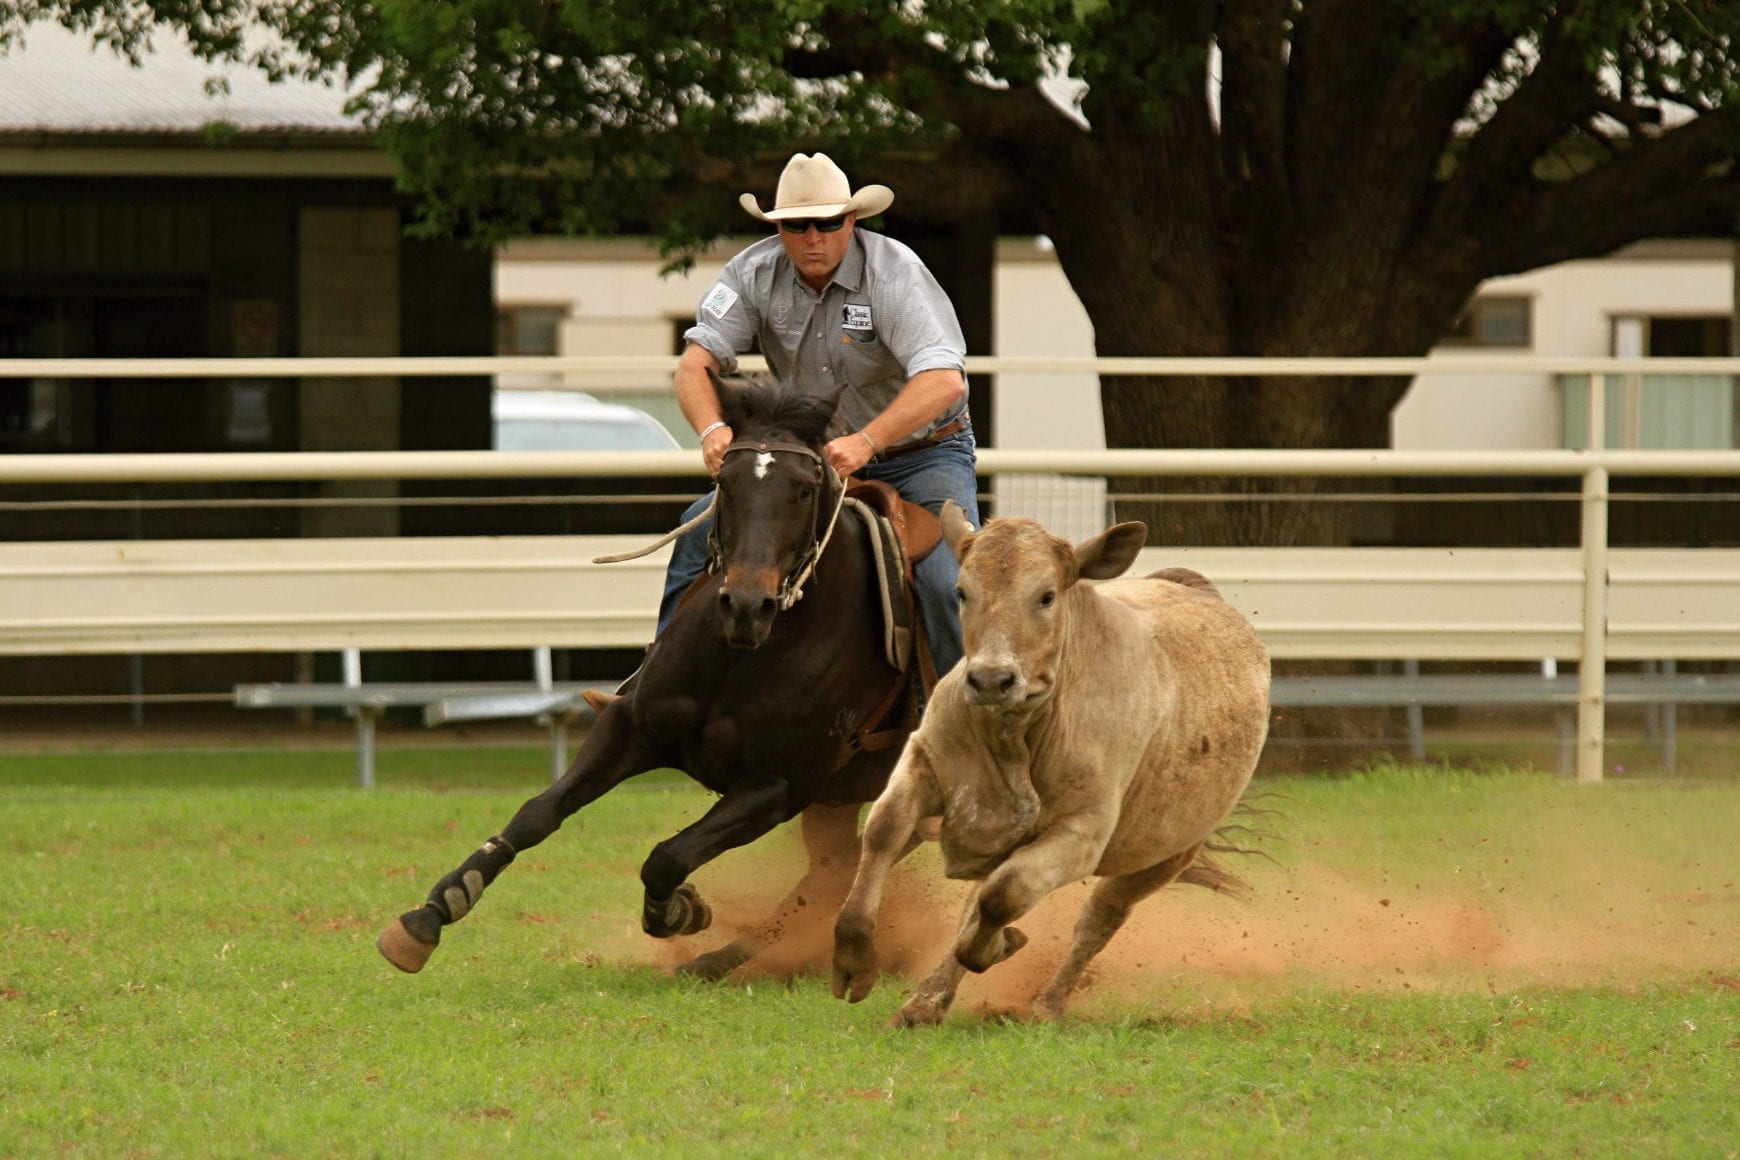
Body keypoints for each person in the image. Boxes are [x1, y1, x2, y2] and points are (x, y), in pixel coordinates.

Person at [659, 151, 980, 677]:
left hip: (923, 456)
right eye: (797, 225)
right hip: (812, 460)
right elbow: (695, 365)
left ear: (851, 221)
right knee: (694, 536)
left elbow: (944, 380)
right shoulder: (751, 273)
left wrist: (867, 441)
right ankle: (656, 683)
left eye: (828, 223)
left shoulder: (895, 274)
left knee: (950, 581)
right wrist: (712, 428)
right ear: (778, 228)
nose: (813, 237)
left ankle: (962, 712)